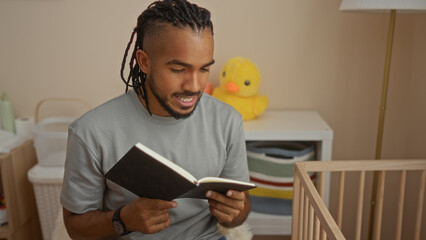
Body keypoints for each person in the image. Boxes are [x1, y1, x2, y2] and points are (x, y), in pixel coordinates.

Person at [60, 0, 251, 239]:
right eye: (178, 69)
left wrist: (235, 211)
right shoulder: (90, 131)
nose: (194, 86)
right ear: (144, 62)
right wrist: (123, 219)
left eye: (204, 69)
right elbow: (75, 228)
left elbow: (242, 210)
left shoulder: (227, 121)